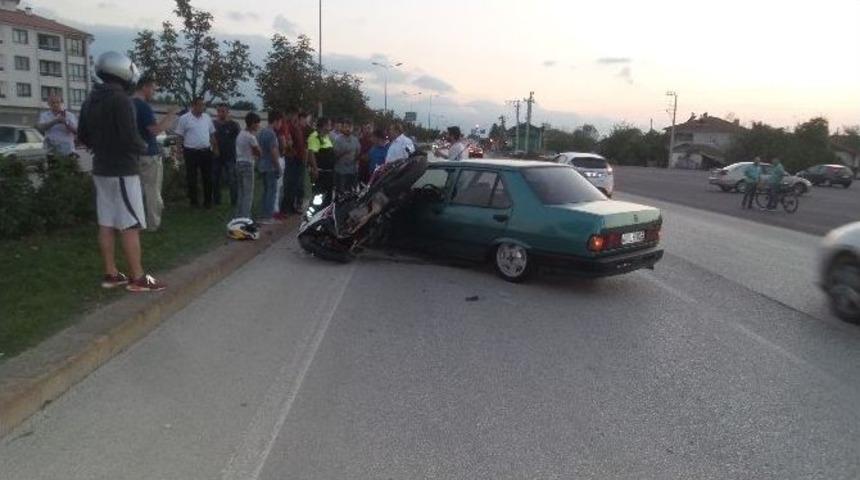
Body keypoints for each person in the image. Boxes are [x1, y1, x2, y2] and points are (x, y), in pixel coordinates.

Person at [78, 51, 165, 292]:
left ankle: (111, 274)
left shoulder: (90, 100)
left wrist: (102, 145)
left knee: (106, 223)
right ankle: (138, 278)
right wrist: (143, 147)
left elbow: (83, 135)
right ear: (123, 72)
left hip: (101, 169)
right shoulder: (122, 100)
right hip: (123, 170)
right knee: (130, 224)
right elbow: (130, 137)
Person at [132, 72, 176, 231]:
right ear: (145, 87)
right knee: (152, 190)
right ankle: (153, 224)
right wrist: (170, 115)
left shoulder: (128, 104)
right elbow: (155, 130)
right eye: (153, 89)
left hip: (133, 154)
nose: (154, 93)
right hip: (149, 155)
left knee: (135, 191)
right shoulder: (143, 106)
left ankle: (134, 222)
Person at [176, 97, 219, 208]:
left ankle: (208, 202)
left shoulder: (207, 118)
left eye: (203, 105)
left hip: (205, 151)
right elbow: (179, 136)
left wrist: (215, 148)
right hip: (191, 152)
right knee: (192, 178)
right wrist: (178, 151)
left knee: (207, 177)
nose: (202, 107)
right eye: (199, 105)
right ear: (193, 106)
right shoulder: (184, 118)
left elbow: (212, 134)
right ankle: (194, 202)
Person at [257, 110, 284, 224]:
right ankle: (268, 216)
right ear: (276, 121)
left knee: (266, 191)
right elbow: (273, 152)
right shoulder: (271, 134)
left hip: (262, 165)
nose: (280, 125)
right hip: (271, 166)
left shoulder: (261, 132)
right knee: (271, 191)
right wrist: (278, 166)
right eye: (280, 122)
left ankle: (263, 214)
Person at [234, 112, 261, 219]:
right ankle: (245, 217)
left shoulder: (240, 134)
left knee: (241, 192)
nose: (258, 126)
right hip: (247, 164)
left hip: (239, 162)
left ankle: (238, 215)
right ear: (253, 123)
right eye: (257, 123)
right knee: (248, 193)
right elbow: (258, 152)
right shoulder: (251, 137)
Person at [213, 104, 241, 207]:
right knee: (215, 179)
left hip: (230, 156)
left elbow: (240, 138)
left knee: (232, 179)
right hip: (216, 156)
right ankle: (216, 201)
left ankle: (234, 201)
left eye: (223, 111)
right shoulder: (213, 124)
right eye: (219, 111)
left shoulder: (234, 125)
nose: (221, 113)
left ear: (228, 112)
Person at [282, 109, 309, 214]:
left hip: (300, 159)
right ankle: (288, 206)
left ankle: (294, 205)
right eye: (294, 115)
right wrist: (293, 152)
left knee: (298, 184)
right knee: (291, 184)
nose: (295, 118)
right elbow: (289, 143)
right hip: (293, 159)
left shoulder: (299, 128)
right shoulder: (290, 127)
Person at [307, 117, 335, 207]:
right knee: (317, 197)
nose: (330, 127)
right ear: (324, 125)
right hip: (320, 172)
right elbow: (311, 153)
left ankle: (324, 213)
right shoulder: (315, 136)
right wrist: (315, 169)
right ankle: (312, 214)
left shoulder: (326, 137)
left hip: (329, 173)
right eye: (329, 125)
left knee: (327, 197)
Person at [333, 119, 361, 194]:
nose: (348, 129)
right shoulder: (338, 139)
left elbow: (358, 153)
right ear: (343, 128)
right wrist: (344, 153)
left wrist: (355, 161)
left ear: (352, 128)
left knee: (351, 193)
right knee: (340, 193)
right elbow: (335, 156)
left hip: (352, 171)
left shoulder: (355, 139)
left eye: (350, 127)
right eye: (346, 127)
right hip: (341, 171)